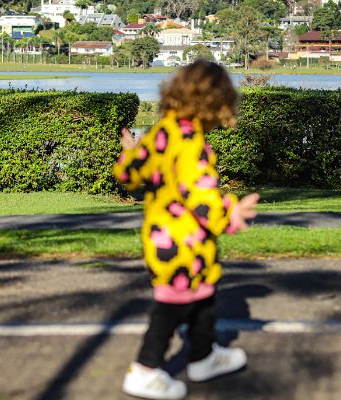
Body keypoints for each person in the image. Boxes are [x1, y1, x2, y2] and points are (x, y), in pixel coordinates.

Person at [114, 60, 259, 400]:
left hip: (162, 238)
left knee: (203, 296)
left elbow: (130, 175)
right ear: (216, 102)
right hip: (183, 243)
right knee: (172, 307)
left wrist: (129, 155)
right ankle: (145, 370)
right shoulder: (191, 141)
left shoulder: (161, 131)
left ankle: (203, 356)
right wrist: (230, 212)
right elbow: (201, 195)